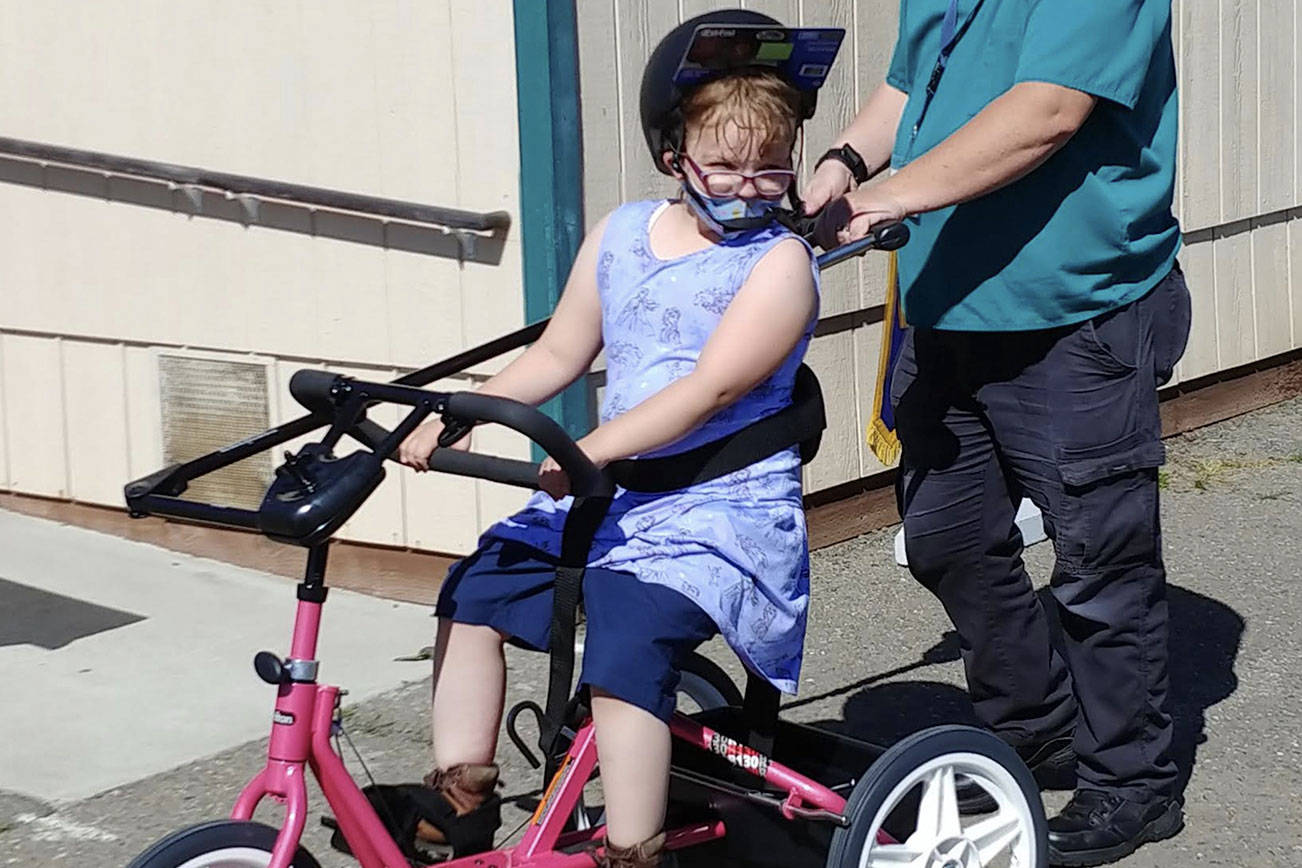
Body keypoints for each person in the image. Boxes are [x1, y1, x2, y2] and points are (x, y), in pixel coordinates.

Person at [392, 11, 829, 867]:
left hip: (716, 511)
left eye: (771, 168)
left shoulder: (779, 266)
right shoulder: (623, 232)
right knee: (477, 588)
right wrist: (451, 410)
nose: (751, 186)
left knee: (625, 642)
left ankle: (632, 851)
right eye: (727, 166)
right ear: (675, 154)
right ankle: (464, 795)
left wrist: (584, 453)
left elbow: (710, 391)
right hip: (614, 491)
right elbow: (558, 352)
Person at [805, 2, 1191, 866]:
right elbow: (913, 83)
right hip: (954, 308)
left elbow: (1048, 110)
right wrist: (841, 163)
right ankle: (1042, 732)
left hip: (1077, 318)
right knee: (945, 537)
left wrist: (883, 197)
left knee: (1100, 565)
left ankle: (1133, 784)